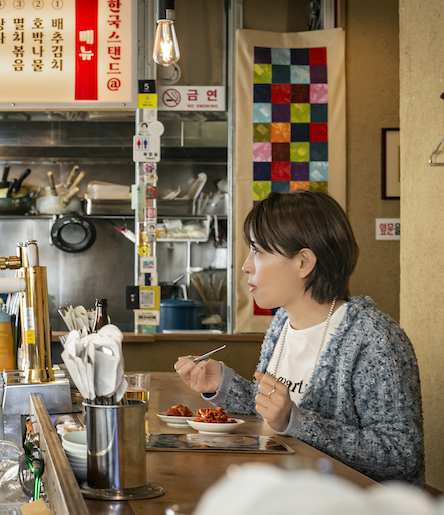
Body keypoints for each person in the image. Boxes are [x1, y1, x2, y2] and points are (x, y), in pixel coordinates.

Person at [174, 190, 424, 487]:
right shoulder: (282, 322)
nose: (246, 265)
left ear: (304, 262)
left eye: (258, 252)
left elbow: (402, 455)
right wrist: (223, 384)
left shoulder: (373, 338)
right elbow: (275, 412)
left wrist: (298, 422)